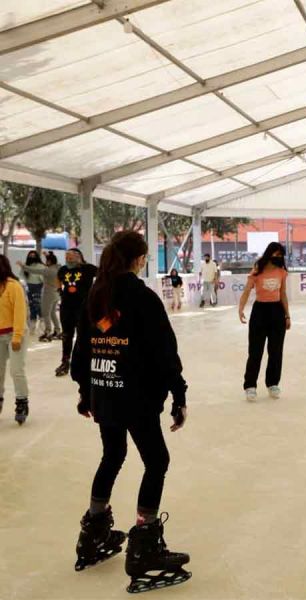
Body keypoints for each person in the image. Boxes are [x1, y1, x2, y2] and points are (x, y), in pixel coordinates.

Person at [70, 231, 190, 593]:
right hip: (136, 397)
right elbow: (164, 352)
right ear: (138, 259)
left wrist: (85, 392)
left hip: (105, 393)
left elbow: (83, 352)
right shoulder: (141, 297)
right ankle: (144, 547)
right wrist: (178, 394)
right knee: (156, 461)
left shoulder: (96, 294)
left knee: (113, 454)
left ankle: (93, 531)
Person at [238, 242, 290, 401]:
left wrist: (287, 315)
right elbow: (247, 290)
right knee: (255, 351)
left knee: (276, 351)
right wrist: (240, 309)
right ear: (269, 254)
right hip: (260, 311)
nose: (279, 258)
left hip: (277, 312)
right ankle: (250, 385)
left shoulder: (282, 272)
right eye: (276, 255)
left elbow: (283, 294)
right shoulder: (257, 270)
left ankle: (273, 383)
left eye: (281, 256)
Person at [56, 248, 97, 377]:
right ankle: (65, 361)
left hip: (83, 308)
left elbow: (104, 275)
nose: (68, 259)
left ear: (79, 257)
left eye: (70, 257)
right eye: (66, 257)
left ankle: (83, 362)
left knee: (83, 335)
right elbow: (58, 278)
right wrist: (59, 290)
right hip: (66, 307)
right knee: (66, 335)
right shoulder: (63, 270)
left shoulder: (88, 268)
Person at [0, 255, 30, 425]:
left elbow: (20, 313)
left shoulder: (13, 286)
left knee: (16, 370)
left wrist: (17, 336)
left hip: (15, 333)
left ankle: (22, 402)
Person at [18, 252, 62, 342]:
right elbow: (52, 261)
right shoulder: (59, 268)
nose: (45, 262)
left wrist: (23, 266)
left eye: (47, 261)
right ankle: (58, 331)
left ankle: (48, 332)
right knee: (53, 312)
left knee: (46, 313)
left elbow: (34, 271)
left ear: (49, 262)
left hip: (48, 294)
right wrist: (47, 255)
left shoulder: (48, 270)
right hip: (56, 293)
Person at [20, 250, 44, 333]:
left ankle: (42, 321)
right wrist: (23, 284)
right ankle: (32, 324)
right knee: (31, 305)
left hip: (38, 287)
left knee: (37, 304)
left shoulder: (41, 266)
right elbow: (22, 276)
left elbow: (44, 277)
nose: (32, 257)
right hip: (28, 287)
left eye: (34, 256)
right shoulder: (25, 265)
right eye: (30, 255)